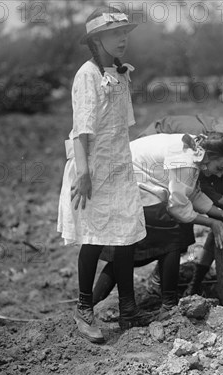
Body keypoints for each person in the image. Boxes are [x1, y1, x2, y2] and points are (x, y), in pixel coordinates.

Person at [57, 6, 152, 343]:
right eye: (115, 33)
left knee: (125, 238)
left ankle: (129, 309)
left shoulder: (120, 74)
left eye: (125, 32)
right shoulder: (87, 75)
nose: (123, 38)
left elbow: (121, 128)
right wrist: (83, 174)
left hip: (119, 166)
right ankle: (85, 309)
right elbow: (81, 131)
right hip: (93, 168)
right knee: (95, 239)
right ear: (97, 39)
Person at [93, 132, 223, 319]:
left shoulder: (197, 150)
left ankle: (89, 305)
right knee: (173, 235)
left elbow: (192, 194)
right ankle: (168, 304)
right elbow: (178, 208)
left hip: (131, 183)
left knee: (130, 252)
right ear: (211, 155)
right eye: (220, 168)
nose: (219, 174)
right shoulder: (187, 160)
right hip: (120, 182)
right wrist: (212, 222)